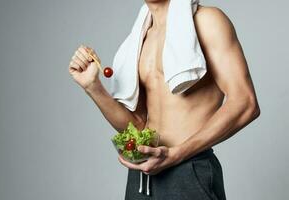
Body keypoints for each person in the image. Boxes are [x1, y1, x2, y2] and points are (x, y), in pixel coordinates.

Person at [68, 0, 260, 199]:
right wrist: (93, 87)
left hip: (188, 170)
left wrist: (176, 154)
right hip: (142, 174)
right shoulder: (140, 37)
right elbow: (137, 125)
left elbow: (245, 103)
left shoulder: (207, 21)